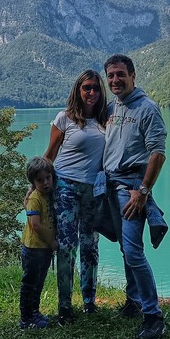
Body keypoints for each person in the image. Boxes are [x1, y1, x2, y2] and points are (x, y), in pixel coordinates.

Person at [103, 54, 168, 339]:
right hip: (111, 187)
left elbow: (158, 153)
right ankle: (134, 300)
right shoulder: (112, 107)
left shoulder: (147, 108)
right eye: (111, 76)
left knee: (133, 251)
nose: (115, 80)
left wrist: (143, 192)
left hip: (131, 189)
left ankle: (153, 316)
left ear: (133, 76)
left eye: (120, 74)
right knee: (124, 249)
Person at [44, 69, 108, 325]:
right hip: (66, 189)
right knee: (67, 247)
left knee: (90, 247)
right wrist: (35, 187)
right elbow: (49, 155)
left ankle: (89, 302)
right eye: (86, 88)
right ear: (78, 91)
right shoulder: (65, 118)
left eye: (95, 87)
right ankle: (64, 307)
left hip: (94, 191)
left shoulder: (107, 119)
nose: (91, 92)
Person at [19, 156, 58, 329]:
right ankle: (26, 318)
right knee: (30, 283)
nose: (45, 183)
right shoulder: (35, 198)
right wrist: (52, 241)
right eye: (40, 180)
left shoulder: (48, 194)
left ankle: (34, 312)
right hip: (34, 248)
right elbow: (35, 225)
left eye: (48, 178)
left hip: (43, 249)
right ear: (33, 182)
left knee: (39, 282)